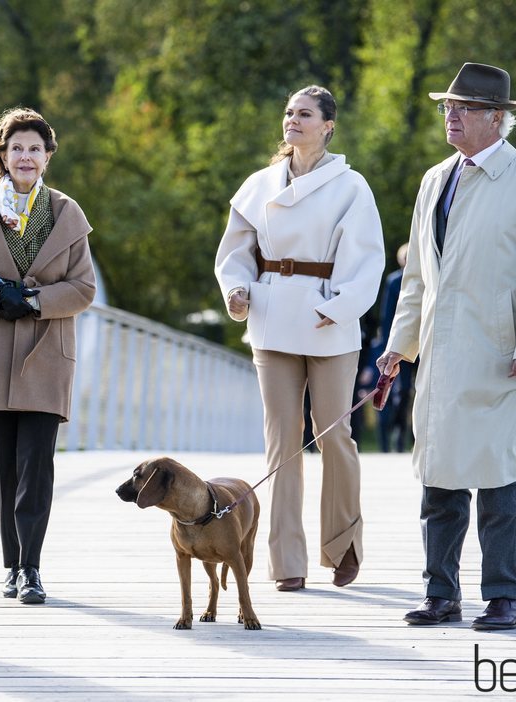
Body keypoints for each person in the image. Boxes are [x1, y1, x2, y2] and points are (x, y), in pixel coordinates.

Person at [377, 63, 516, 630]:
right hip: (438, 351)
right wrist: (397, 346)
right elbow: (416, 279)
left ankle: (506, 595)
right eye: (447, 108)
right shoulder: (436, 178)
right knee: (439, 475)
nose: (451, 117)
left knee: (496, 473)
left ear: (496, 119)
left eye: (463, 109)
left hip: (498, 350)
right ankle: (441, 592)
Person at [215, 86, 384, 592]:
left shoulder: (351, 187)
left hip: (328, 319)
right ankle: (286, 562)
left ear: (328, 126)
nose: (293, 120)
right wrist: (237, 288)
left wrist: (338, 307)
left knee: (334, 434)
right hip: (269, 318)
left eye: (304, 114)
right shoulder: (259, 184)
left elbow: (368, 259)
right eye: (289, 112)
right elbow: (236, 251)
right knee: (282, 444)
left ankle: (343, 545)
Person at [0, 108, 95, 605]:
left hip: (47, 351)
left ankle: (31, 567)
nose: (25, 157)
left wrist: (32, 301)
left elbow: (84, 288)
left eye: (34, 149)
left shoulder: (69, 214)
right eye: (16, 149)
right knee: (2, 467)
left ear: (48, 156)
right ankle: (11, 566)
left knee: (37, 465)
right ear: (1, 156)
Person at [375, 244, 414, 452]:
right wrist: (390, 347)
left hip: (422, 346)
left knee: (413, 393)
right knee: (400, 392)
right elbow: (387, 316)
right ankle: (393, 438)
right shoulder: (394, 281)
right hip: (401, 346)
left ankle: (409, 439)